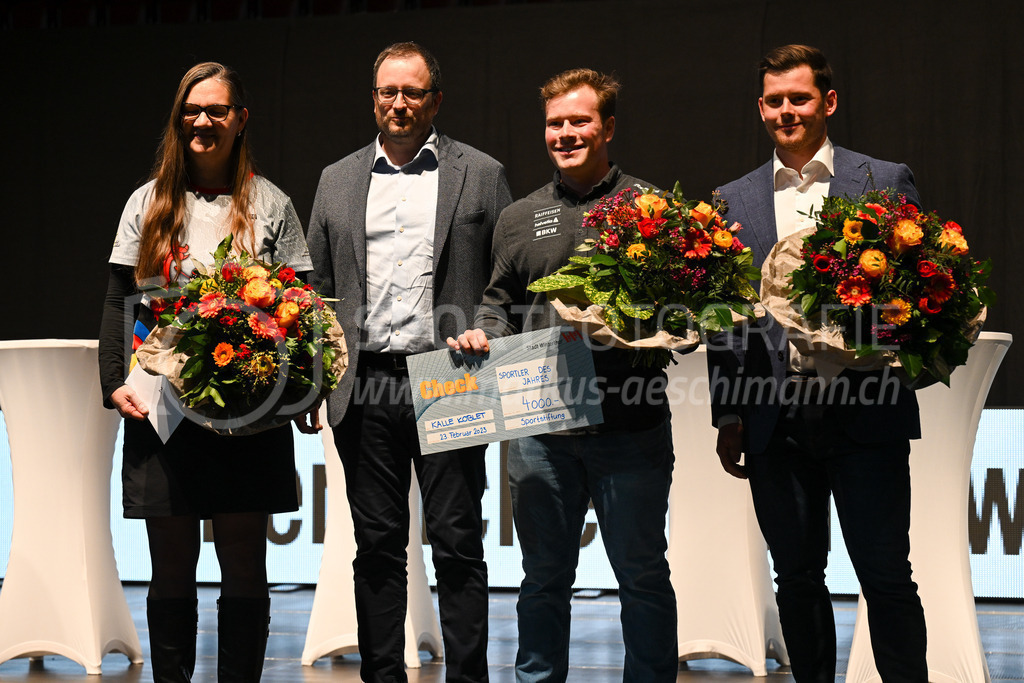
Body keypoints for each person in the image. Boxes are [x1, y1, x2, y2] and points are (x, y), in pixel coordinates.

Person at [448, 68, 678, 682]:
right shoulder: (519, 217)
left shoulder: (653, 208)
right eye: (556, 123)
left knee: (643, 575)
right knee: (544, 579)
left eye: (580, 120)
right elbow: (498, 303)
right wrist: (482, 334)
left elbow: (684, 304)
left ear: (607, 127)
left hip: (631, 423)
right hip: (540, 428)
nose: (567, 133)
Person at [709, 44, 928, 682]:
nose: (787, 112)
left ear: (827, 102)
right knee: (798, 579)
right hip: (778, 419)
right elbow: (726, 319)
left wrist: (879, 341)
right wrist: (729, 413)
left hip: (867, 410)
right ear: (760, 108)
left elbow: (920, 289)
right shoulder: (731, 199)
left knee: (886, 575)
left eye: (799, 98)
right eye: (774, 101)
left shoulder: (883, 181)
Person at [302, 41, 512, 683]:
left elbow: (506, 281)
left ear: (435, 101)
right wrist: (311, 381)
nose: (399, 103)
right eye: (388, 92)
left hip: (451, 374)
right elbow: (311, 292)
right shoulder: (337, 179)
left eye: (412, 92)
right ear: (373, 100)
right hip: (363, 381)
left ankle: (469, 678)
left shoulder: (480, 172)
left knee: (457, 543)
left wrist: (486, 329)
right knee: (377, 549)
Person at [98, 61, 312, 682]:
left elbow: (301, 302)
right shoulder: (148, 202)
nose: (202, 121)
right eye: (191, 110)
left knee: (245, 563)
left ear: (240, 120)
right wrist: (114, 380)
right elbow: (120, 301)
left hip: (247, 410)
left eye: (217, 110)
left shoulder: (271, 202)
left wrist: (299, 392)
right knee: (170, 566)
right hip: (160, 405)